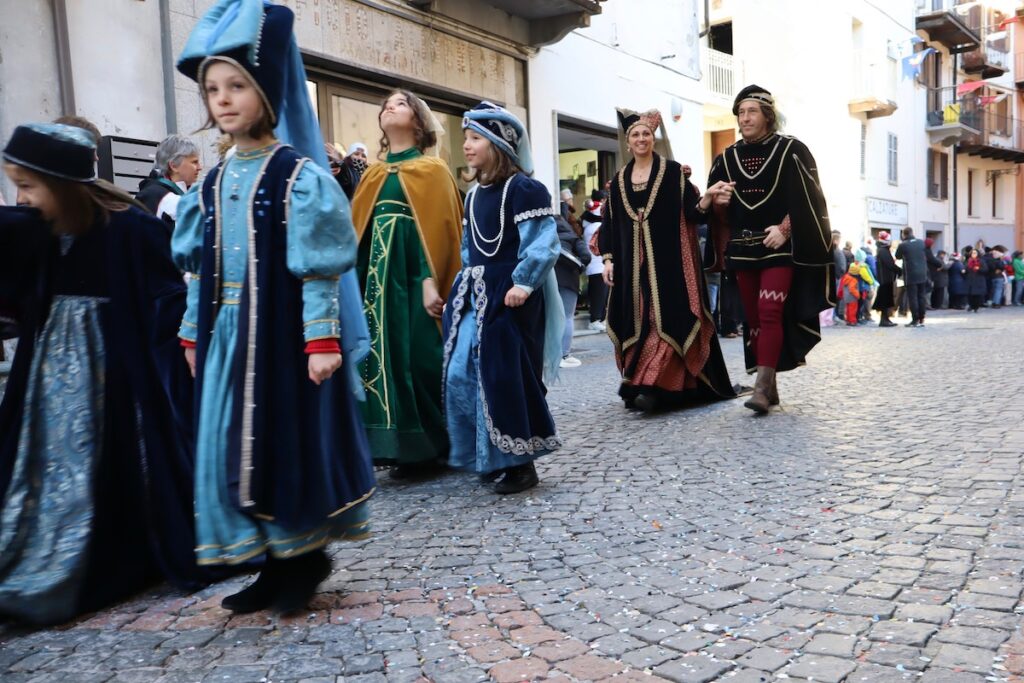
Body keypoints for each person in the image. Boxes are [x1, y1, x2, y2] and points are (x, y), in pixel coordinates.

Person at [173, 0, 375, 615]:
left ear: (265, 90)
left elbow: (317, 267)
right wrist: (190, 333)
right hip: (225, 334)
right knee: (232, 446)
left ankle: (301, 560)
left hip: (281, 337)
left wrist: (320, 340)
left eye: (237, 85)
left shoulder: (298, 177)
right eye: (213, 89)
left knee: (279, 442)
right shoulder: (207, 184)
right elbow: (197, 268)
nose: (224, 98)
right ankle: (267, 562)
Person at [0, 123, 212, 624]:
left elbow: (167, 296)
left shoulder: (130, 228)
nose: (20, 198)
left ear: (66, 185)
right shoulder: (42, 232)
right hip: (46, 370)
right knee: (36, 462)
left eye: (30, 187)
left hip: (109, 375)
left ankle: (79, 560)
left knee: (97, 469)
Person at [442, 101, 562, 494]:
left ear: (497, 143)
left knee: (504, 376)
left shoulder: (524, 189)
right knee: (463, 371)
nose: (468, 146)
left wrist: (523, 283)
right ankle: (488, 454)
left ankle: (521, 462)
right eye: (466, 138)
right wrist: (460, 290)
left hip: (510, 296)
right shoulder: (474, 195)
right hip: (475, 294)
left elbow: (543, 244)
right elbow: (468, 248)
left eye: (475, 138)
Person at [349, 90, 463, 479]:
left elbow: (442, 233)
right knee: (381, 359)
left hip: (416, 280)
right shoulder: (373, 174)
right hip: (377, 284)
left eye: (399, 103)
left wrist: (432, 281)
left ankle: (433, 445)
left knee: (420, 357)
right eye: (385, 104)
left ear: (417, 121)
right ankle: (393, 446)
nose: (388, 107)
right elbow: (357, 236)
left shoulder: (433, 170)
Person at [704, 85, 835, 414]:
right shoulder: (727, 159)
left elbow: (811, 201)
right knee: (754, 319)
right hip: (742, 250)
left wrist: (785, 229)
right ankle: (770, 385)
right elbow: (721, 218)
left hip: (779, 248)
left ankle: (761, 387)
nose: (744, 118)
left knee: (769, 310)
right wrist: (718, 204)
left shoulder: (792, 150)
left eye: (751, 112)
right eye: (740, 113)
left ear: (768, 116)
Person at [599, 108, 736, 414]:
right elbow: (609, 224)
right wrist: (608, 260)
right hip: (632, 268)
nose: (641, 138)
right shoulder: (619, 180)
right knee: (640, 321)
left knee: (665, 322)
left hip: (669, 265)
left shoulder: (673, 172)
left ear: (654, 138)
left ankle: (655, 386)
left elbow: (693, 213)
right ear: (628, 141)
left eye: (646, 133)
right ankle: (639, 383)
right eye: (635, 134)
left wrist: (708, 198)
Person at [136, 134, 202, 229]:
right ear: (174, 166)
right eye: (194, 162)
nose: (200, 168)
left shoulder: (158, 193)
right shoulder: (156, 196)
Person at [555, 213, 591, 368]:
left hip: (548, 280)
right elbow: (586, 256)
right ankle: (564, 354)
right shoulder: (573, 238)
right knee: (568, 317)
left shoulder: (545, 238)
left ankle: (549, 354)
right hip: (570, 279)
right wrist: (579, 267)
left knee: (549, 317)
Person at [581, 189, 607, 331]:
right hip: (596, 264)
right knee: (598, 293)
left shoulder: (590, 221)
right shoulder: (595, 224)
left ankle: (600, 318)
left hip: (598, 264)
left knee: (602, 293)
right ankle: (595, 319)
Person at [894, 227, 928, 327]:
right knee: (921, 296)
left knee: (913, 297)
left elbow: (898, 256)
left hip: (911, 274)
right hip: (922, 273)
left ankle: (915, 319)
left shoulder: (903, 245)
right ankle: (922, 318)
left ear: (904, 235)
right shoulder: (921, 242)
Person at [872, 231, 898, 326]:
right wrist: (899, 270)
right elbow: (890, 264)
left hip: (886, 279)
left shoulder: (883, 250)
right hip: (885, 279)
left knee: (886, 300)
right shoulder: (883, 251)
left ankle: (886, 318)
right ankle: (884, 320)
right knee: (884, 301)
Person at [839, 262, 861, 326]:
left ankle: (848, 320)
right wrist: (858, 295)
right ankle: (852, 321)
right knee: (853, 310)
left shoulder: (846, 277)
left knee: (848, 310)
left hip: (846, 297)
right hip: (852, 297)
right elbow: (852, 289)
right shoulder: (853, 280)